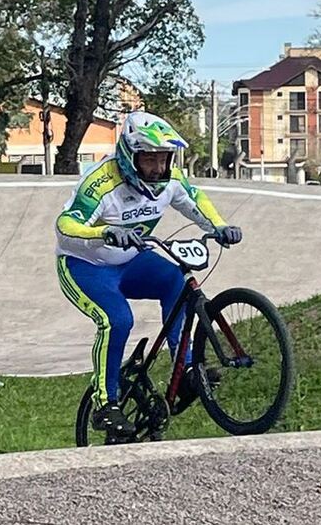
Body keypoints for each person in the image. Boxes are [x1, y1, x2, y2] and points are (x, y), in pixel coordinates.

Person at [55, 111, 243, 439]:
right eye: (150, 160)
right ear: (130, 156)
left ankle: (184, 368)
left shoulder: (169, 179)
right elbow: (65, 224)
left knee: (176, 281)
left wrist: (220, 227)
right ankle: (105, 403)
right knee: (118, 321)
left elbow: (195, 201)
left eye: (164, 159)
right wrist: (106, 232)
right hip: (84, 265)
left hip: (132, 261)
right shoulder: (102, 182)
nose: (158, 168)